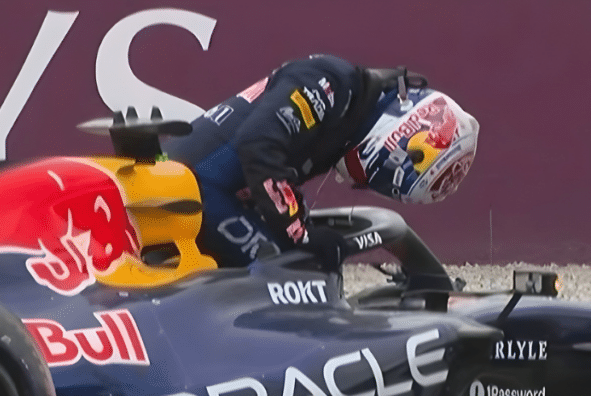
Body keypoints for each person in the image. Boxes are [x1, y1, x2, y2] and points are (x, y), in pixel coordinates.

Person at [162, 54, 479, 271]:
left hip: (203, 190)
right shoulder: (331, 84)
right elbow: (257, 145)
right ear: (404, 133)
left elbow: (264, 173)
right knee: (296, 274)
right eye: (380, 173)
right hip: (192, 188)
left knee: (307, 262)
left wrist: (299, 226)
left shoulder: (347, 116)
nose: (363, 181)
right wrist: (300, 234)